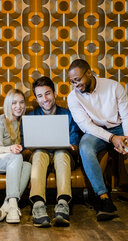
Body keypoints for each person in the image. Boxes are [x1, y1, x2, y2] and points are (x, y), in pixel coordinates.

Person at [67, 59, 128, 221]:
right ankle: (103, 199)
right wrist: (112, 138)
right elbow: (86, 126)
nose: (76, 85)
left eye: (78, 79)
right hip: (96, 132)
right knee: (85, 148)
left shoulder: (114, 86)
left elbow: (127, 115)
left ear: (89, 72)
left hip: (120, 129)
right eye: (72, 82)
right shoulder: (73, 97)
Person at [23, 76, 81, 228]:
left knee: (61, 152)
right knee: (39, 152)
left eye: (47, 93)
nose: (45, 99)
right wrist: (30, 146)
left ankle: (62, 203)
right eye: (40, 96)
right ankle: (38, 204)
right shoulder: (31, 117)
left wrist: (72, 145)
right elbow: (25, 146)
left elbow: (74, 139)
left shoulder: (68, 114)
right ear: (36, 99)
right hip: (39, 158)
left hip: (63, 157)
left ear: (54, 93)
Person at [0, 89, 32, 224]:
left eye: (21, 102)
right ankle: (14, 207)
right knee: (16, 157)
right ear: (8, 105)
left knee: (27, 165)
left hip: (10, 162)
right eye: (14, 103)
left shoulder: (25, 122)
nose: (18, 106)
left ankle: (6, 207)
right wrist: (11, 148)